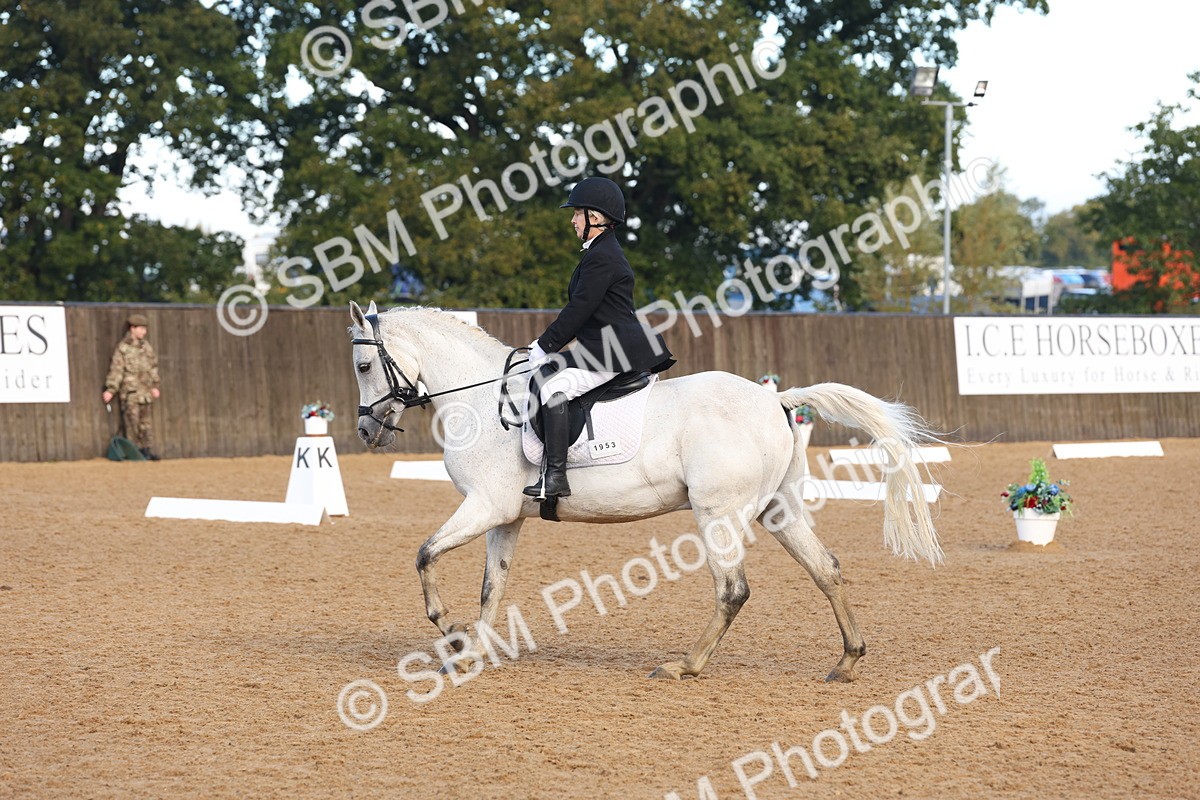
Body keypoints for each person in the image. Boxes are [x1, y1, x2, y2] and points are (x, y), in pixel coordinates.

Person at [523, 177, 675, 501]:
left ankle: (555, 476)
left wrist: (544, 345)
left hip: (612, 351)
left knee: (553, 389)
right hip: (599, 347)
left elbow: (579, 309)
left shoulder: (603, 257)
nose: (573, 220)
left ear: (595, 217)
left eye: (578, 213)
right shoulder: (599, 253)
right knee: (546, 372)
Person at [102, 313, 162, 461]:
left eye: (145, 329)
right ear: (132, 328)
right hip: (130, 393)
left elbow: (153, 367)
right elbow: (117, 370)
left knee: (146, 424)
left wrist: (154, 385)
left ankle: (146, 450)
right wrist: (111, 389)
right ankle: (134, 451)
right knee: (131, 423)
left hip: (145, 392)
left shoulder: (146, 347)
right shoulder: (123, 348)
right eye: (141, 328)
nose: (144, 332)